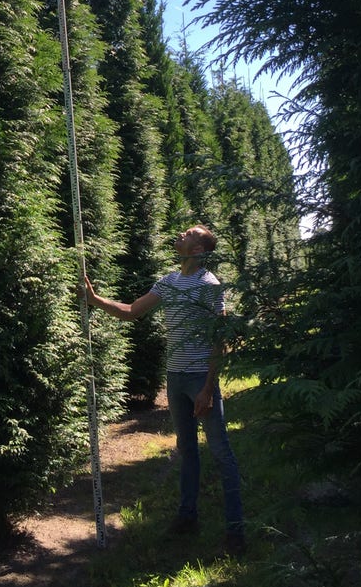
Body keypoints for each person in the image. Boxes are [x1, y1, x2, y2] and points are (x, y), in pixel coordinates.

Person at [84, 224, 245, 555]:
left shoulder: (209, 286)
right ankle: (187, 517)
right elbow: (131, 312)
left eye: (189, 234)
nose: (181, 234)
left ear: (198, 251)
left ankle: (236, 532)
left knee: (221, 453)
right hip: (175, 378)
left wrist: (208, 389)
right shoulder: (170, 283)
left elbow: (220, 339)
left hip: (200, 378)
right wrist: (95, 300)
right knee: (186, 450)